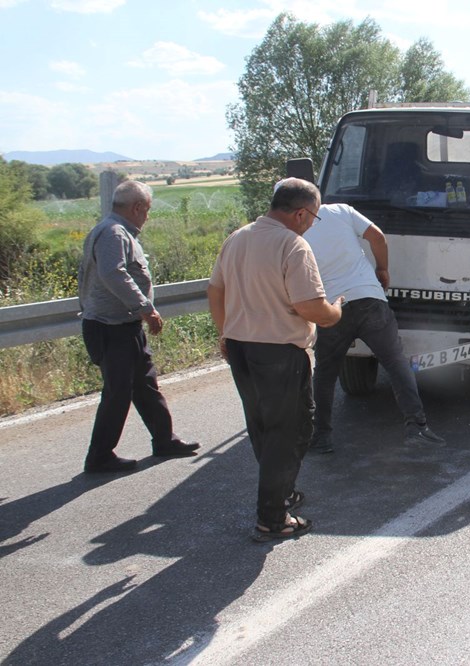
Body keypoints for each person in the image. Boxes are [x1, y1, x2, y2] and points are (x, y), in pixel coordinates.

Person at [207, 178, 344, 541]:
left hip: (240, 347)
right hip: (279, 352)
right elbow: (309, 307)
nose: (313, 223)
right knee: (292, 431)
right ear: (300, 213)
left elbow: (215, 289)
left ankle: (281, 493)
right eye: (314, 216)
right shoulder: (293, 245)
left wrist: (225, 332)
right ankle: (272, 518)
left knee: (263, 426)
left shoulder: (237, 238)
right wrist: (335, 313)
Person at [303, 199, 447, 454]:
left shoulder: (292, 227)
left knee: (325, 373)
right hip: (370, 299)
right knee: (395, 362)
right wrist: (382, 269)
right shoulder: (341, 211)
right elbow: (377, 237)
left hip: (332, 307)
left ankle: (322, 437)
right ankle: (417, 426)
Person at [77, 180, 200, 473]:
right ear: (136, 207)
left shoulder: (110, 229)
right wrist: (145, 308)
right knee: (118, 392)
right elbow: (112, 273)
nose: (147, 216)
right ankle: (99, 456)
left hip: (122, 325)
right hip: (111, 327)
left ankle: (164, 440)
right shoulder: (114, 233)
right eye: (147, 210)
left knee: (145, 384)